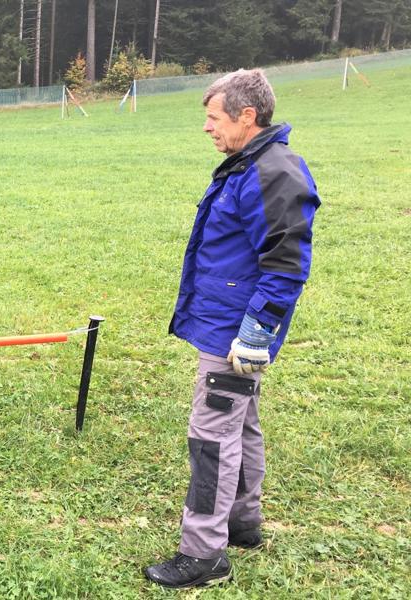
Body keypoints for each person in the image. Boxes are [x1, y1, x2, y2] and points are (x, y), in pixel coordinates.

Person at [144, 69, 320, 589]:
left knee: (211, 438)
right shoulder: (246, 165)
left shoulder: (273, 172)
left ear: (248, 116)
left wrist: (256, 331)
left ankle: (204, 554)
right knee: (239, 425)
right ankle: (242, 524)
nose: (207, 128)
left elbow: (286, 263)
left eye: (214, 117)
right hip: (225, 324)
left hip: (235, 331)